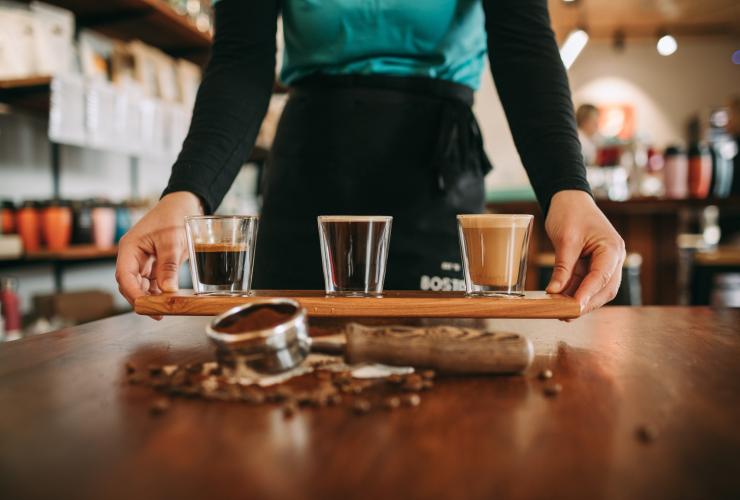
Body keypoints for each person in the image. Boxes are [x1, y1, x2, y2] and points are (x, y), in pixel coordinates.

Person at [116, 0, 625, 316]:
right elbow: (240, 58)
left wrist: (566, 186)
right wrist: (187, 192)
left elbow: (526, 46)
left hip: (434, 173)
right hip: (309, 168)